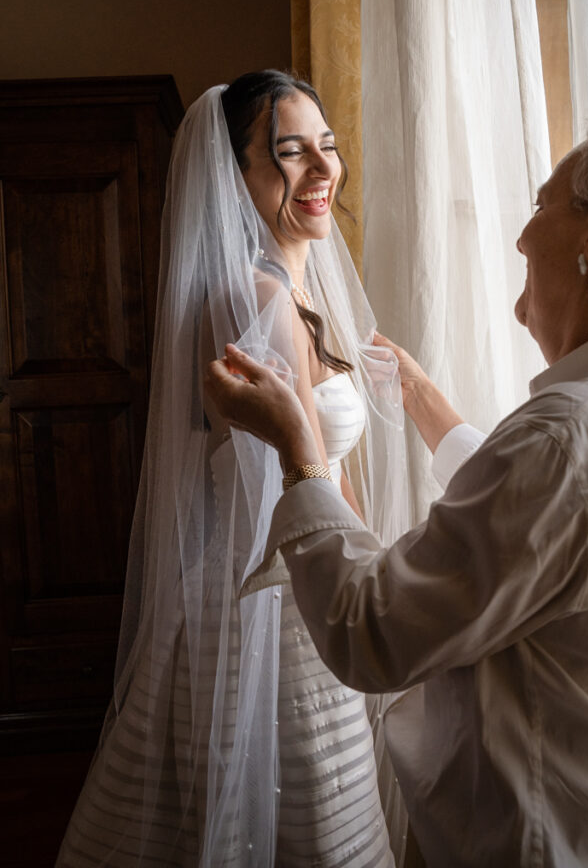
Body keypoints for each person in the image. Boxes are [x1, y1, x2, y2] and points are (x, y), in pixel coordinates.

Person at [206, 113, 588, 867]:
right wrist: (428, 406)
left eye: (541, 204)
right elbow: (562, 537)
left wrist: (300, 453)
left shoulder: (567, 440)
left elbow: (370, 634)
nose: (522, 238)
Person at [57, 71, 413, 867]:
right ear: (234, 174)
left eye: (326, 146)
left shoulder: (288, 285)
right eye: (288, 153)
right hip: (274, 597)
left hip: (281, 566)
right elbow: (294, 468)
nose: (322, 171)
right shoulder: (256, 295)